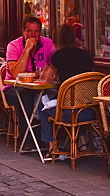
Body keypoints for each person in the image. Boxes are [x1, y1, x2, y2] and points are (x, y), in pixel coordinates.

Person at [38, 24, 96, 152]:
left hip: (69, 113)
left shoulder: (58, 56)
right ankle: (82, 142)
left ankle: (52, 147)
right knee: (77, 102)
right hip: (91, 111)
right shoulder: (87, 55)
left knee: (42, 107)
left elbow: (45, 79)